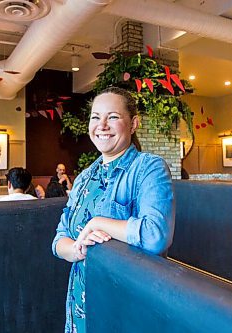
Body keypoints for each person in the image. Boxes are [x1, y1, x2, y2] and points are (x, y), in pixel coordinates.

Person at [51, 87, 175, 333]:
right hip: (81, 300)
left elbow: (156, 236)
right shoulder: (85, 176)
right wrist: (78, 249)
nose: (102, 125)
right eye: (96, 117)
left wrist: (98, 223)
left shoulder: (148, 168)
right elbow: (59, 239)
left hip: (126, 305)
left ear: (133, 124)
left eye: (113, 117)